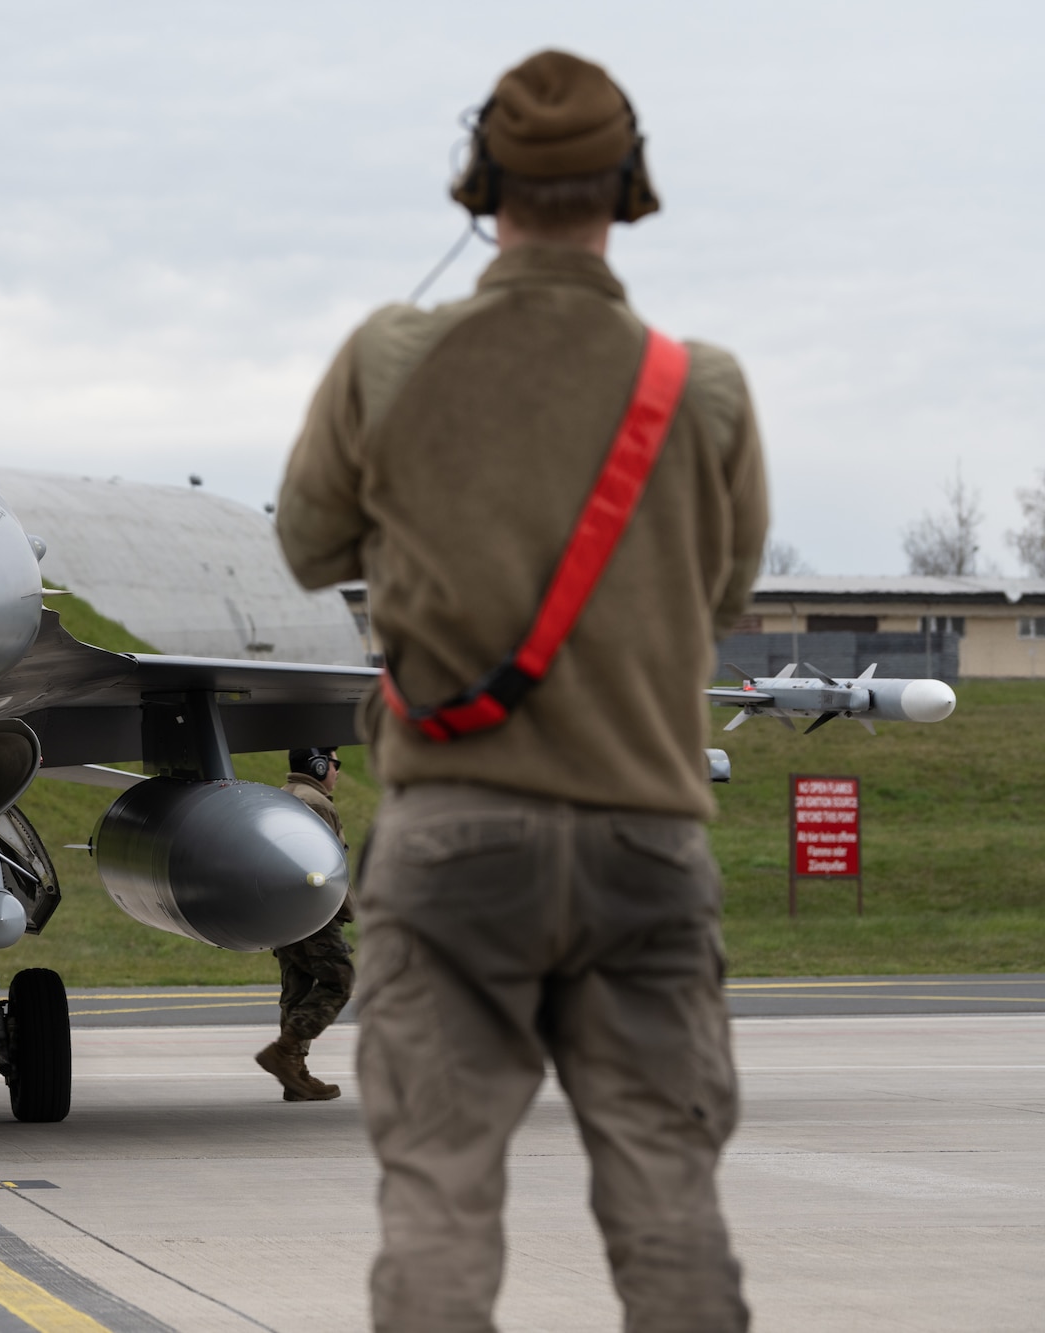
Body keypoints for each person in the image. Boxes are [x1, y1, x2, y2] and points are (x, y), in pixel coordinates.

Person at [275, 50, 766, 1332]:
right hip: (645, 843)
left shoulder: (386, 356)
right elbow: (717, 601)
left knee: (437, 1198)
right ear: (631, 185)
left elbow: (307, 546)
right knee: (667, 1201)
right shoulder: (699, 388)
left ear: (479, 183)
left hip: (453, 843)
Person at [256, 746, 355, 1102]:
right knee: (339, 981)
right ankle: (285, 1053)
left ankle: (294, 1077)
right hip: (313, 909)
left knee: (297, 988)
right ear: (318, 765)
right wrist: (343, 909)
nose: (337, 771)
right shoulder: (316, 802)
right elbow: (323, 864)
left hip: (283, 910)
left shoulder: (283, 795)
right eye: (334, 763)